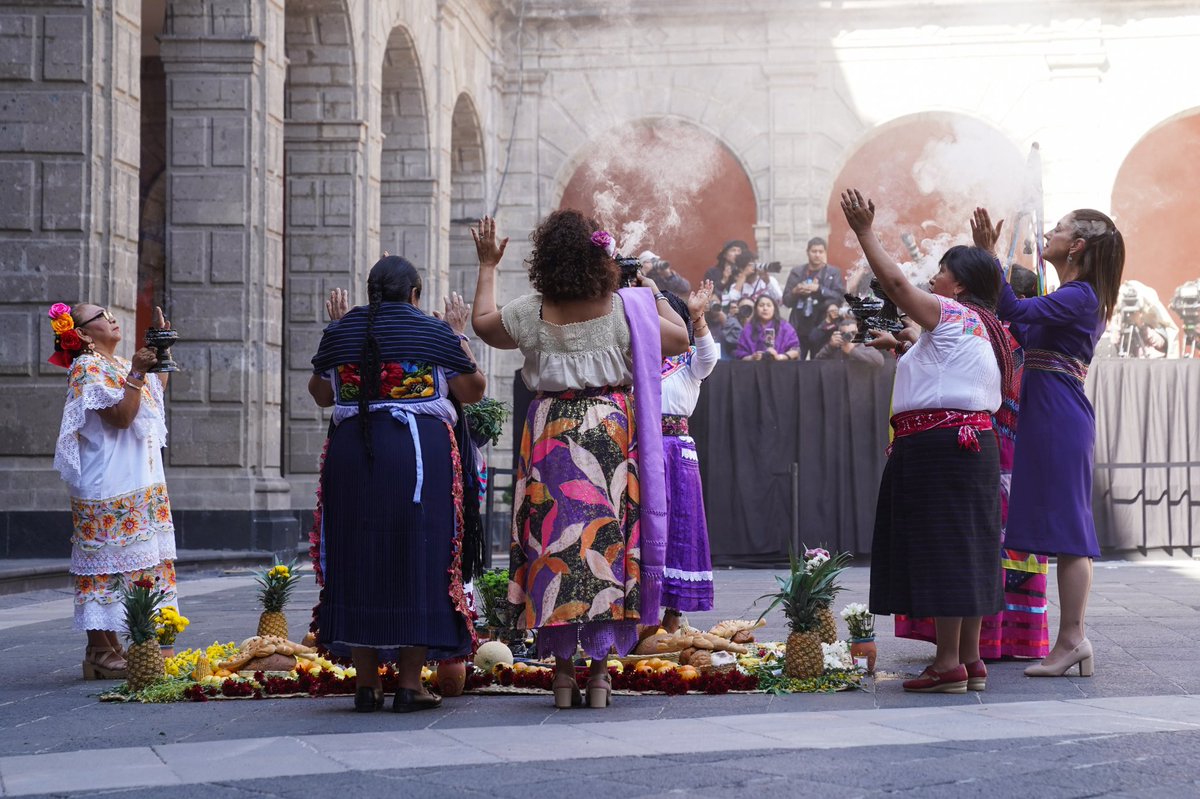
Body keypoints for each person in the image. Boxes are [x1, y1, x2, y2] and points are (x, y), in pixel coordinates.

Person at [470, 212, 689, 709]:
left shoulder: (531, 310)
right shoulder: (624, 309)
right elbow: (679, 339)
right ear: (601, 258)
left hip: (549, 432)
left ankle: (563, 675)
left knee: (556, 547)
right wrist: (648, 290)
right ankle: (598, 677)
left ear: (545, 259)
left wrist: (487, 265)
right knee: (605, 550)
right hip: (608, 431)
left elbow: (484, 326)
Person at [843, 189, 1006, 694]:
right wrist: (903, 345)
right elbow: (943, 368)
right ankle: (970, 661)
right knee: (968, 549)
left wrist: (865, 231)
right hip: (968, 445)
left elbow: (894, 283)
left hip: (939, 450)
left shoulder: (952, 313)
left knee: (946, 552)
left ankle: (947, 665)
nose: (932, 277)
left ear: (957, 284)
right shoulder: (983, 323)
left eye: (941, 270)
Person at [309, 255, 486, 713]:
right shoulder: (433, 331)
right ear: (415, 294)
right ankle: (410, 685)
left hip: (353, 453)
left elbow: (321, 394)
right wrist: (458, 334)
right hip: (416, 456)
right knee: (418, 555)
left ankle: (366, 685)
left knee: (356, 554)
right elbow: (473, 390)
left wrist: (336, 331)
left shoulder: (345, 330)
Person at [971, 206, 1125, 678]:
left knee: (1072, 535)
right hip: (1049, 417)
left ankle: (1073, 639)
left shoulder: (1080, 296)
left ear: (1077, 246)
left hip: (1060, 419)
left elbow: (1013, 310)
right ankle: (1070, 640)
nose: (1048, 233)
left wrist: (988, 256)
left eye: (1058, 229)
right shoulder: (1069, 296)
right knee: (1060, 530)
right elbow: (1013, 326)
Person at [48, 302, 177, 680]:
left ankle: (115, 647)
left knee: (136, 563)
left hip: (136, 479)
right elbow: (121, 418)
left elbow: (153, 389)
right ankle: (100, 651)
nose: (111, 317)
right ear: (84, 334)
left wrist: (159, 345)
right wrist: (137, 371)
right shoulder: (86, 368)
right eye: (100, 316)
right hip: (108, 482)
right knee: (107, 565)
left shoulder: (117, 364)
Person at [659, 282, 719, 625]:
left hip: (677, 450)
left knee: (680, 525)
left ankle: (673, 611)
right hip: (642, 448)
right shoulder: (637, 359)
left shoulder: (690, 362)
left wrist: (699, 318)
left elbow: (710, 356)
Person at [784, 237, 847, 359]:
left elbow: (839, 297)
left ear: (825, 253)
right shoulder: (796, 272)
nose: (817, 255)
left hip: (823, 326)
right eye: (814, 251)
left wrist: (819, 289)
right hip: (799, 326)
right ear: (807, 252)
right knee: (795, 364)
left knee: (819, 363)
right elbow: (786, 301)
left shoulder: (833, 272)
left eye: (820, 251)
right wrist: (796, 291)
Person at [734, 296, 801, 361]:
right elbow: (740, 354)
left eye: (769, 305)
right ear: (756, 309)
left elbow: (795, 350)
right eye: (761, 305)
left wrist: (779, 357)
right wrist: (752, 357)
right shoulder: (748, 329)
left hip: (781, 367)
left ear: (774, 309)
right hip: (754, 368)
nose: (765, 308)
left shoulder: (785, 327)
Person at [815, 317, 886, 366]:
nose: (850, 336)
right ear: (839, 333)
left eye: (853, 333)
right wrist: (830, 346)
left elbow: (879, 361)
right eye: (845, 333)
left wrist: (852, 351)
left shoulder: (864, 346)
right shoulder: (835, 346)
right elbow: (816, 362)